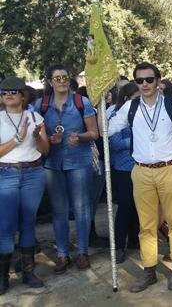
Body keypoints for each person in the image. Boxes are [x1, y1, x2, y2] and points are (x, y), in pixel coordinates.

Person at [108, 62, 172, 292]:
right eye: (139, 80)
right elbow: (107, 130)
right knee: (146, 225)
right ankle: (149, 270)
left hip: (169, 169)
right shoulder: (130, 107)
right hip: (141, 171)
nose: (145, 84)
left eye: (149, 79)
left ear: (158, 81)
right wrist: (99, 108)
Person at [34, 64, 99, 273]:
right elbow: (37, 137)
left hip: (79, 161)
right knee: (58, 211)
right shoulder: (40, 106)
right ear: (50, 82)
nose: (62, 81)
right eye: (57, 78)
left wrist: (78, 137)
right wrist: (50, 140)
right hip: (52, 163)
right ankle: (62, 254)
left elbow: (94, 133)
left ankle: (82, 252)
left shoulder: (82, 102)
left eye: (64, 77)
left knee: (81, 209)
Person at [0, 77, 49, 295]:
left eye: (12, 91)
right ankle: (3, 276)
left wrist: (38, 137)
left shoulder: (35, 116)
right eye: (3, 92)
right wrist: (17, 140)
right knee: (6, 227)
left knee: (29, 223)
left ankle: (29, 272)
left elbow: (45, 149)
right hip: (6, 174)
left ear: (22, 95)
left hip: (33, 173)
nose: (7, 95)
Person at [108, 82, 140, 264]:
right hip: (124, 168)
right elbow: (115, 143)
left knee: (139, 207)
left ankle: (135, 239)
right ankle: (119, 245)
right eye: (136, 98)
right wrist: (136, 140)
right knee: (126, 207)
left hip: (142, 166)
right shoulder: (115, 116)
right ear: (127, 100)